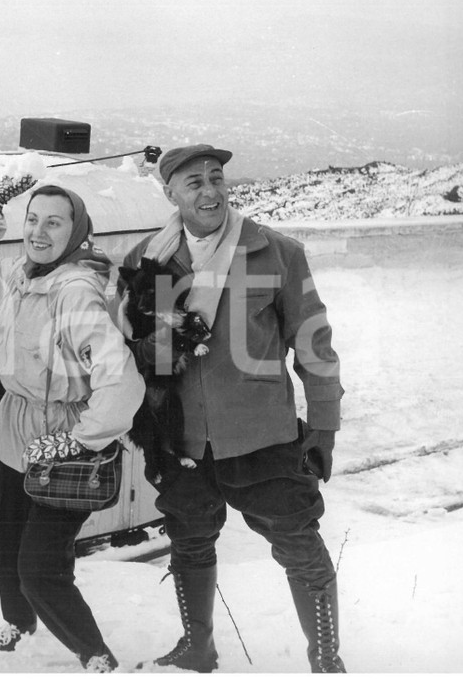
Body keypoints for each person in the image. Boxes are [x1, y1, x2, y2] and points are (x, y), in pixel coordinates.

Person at [121, 145, 346, 673]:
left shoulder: (276, 252)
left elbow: (314, 344)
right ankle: (197, 650)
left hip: (262, 438)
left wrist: (324, 425)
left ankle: (325, 660)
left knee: (299, 547)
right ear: (170, 194)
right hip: (183, 441)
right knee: (189, 544)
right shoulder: (145, 260)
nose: (210, 191)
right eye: (194, 182)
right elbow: (132, 348)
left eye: (216, 178)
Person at [0, 165, 145, 673]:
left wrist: (81, 441)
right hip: (19, 431)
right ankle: (20, 627)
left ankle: (96, 657)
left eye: (54, 224)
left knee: (40, 566)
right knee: (7, 547)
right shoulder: (21, 275)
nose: (39, 233)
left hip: (66, 446)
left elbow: (121, 381)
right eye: (32, 220)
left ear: (77, 233)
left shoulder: (74, 291)